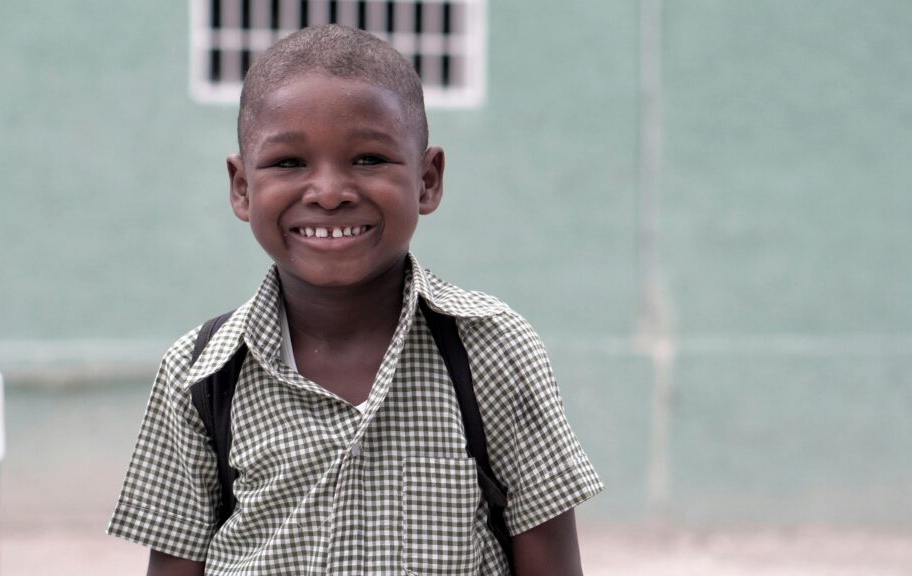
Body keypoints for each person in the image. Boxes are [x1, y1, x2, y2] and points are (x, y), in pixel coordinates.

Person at [108, 24, 602, 575]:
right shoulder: (200, 373)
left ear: (428, 179)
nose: (329, 192)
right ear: (241, 187)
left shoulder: (492, 349)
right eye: (289, 163)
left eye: (368, 159)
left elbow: (552, 562)